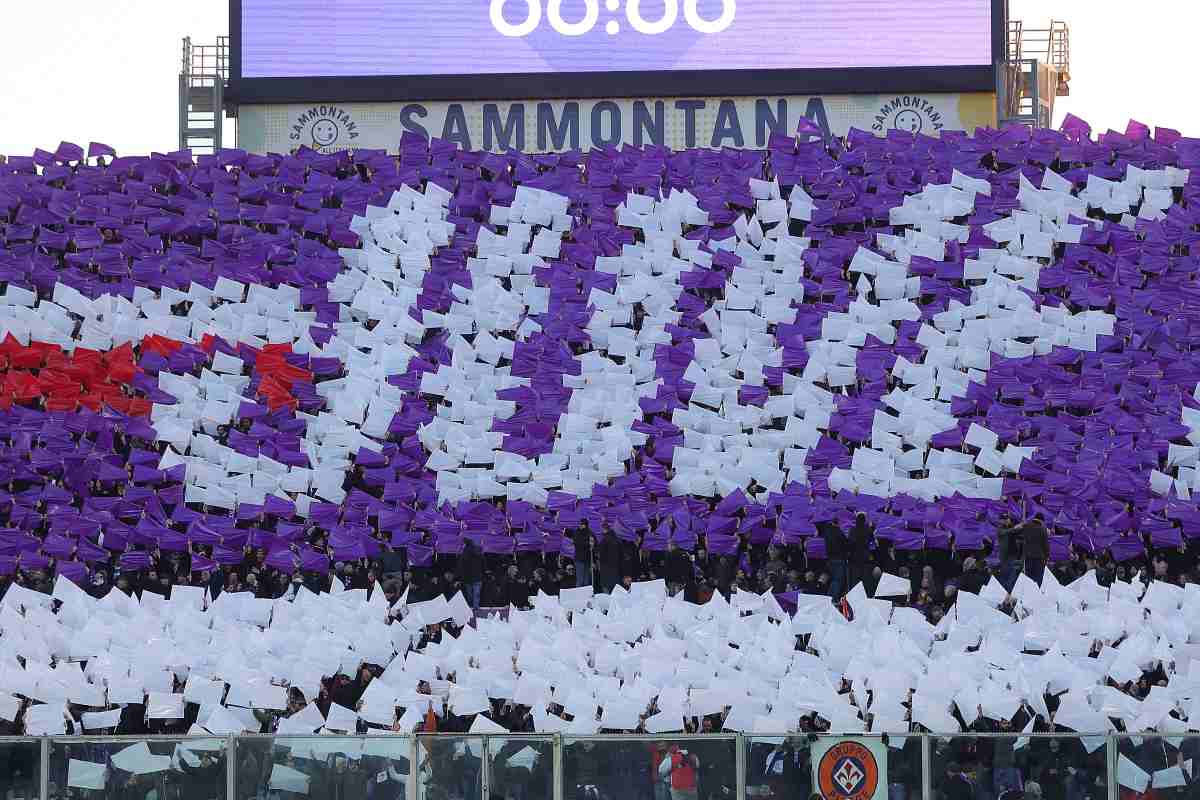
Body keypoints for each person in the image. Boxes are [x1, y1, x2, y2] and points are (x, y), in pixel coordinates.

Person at [1022, 518, 1049, 586]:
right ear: (1041, 520)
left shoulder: (1026, 527)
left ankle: (1029, 589)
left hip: (1028, 556)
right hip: (1039, 557)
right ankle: (1037, 590)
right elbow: (1045, 544)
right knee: (1038, 577)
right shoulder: (1043, 529)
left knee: (1028, 577)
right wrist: (1047, 556)